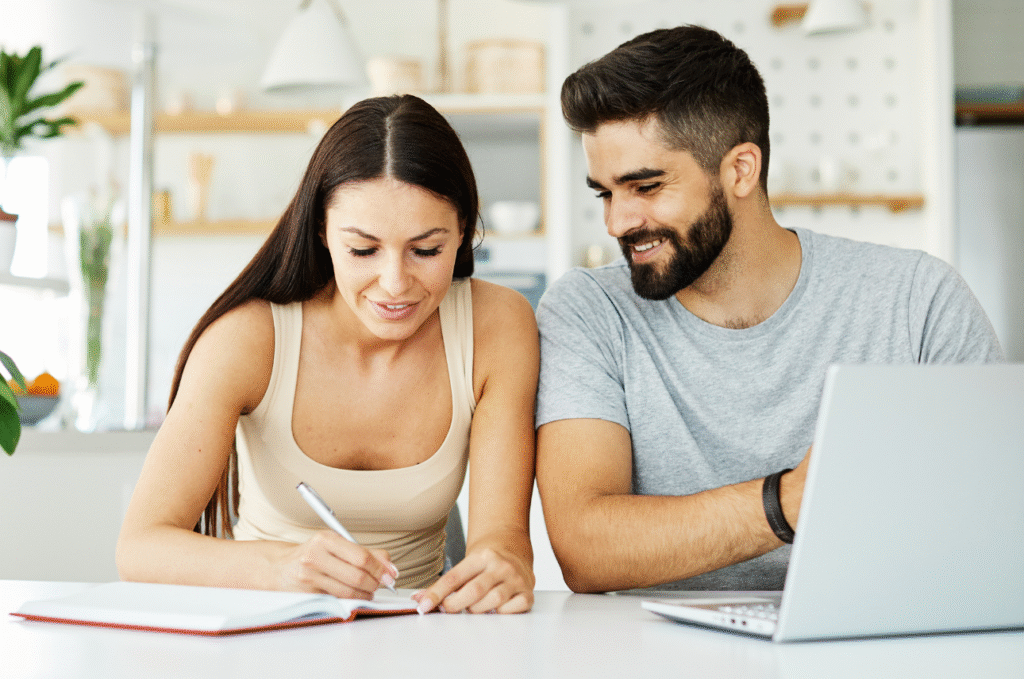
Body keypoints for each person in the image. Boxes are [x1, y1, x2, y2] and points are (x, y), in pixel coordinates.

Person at [534, 25, 1003, 594]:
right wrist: (791, 501)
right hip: (651, 650)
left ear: (741, 169)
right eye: (605, 193)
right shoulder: (589, 311)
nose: (616, 222)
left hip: (877, 636)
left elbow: (993, 521)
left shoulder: (918, 300)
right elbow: (585, 548)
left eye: (647, 187)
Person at [117, 95, 537, 615]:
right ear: (321, 230)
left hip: (419, 632)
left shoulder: (497, 326)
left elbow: (503, 540)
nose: (395, 283)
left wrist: (502, 568)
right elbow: (139, 548)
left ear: (464, 231)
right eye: (363, 250)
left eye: (426, 250)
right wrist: (280, 568)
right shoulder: (248, 339)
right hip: (262, 629)